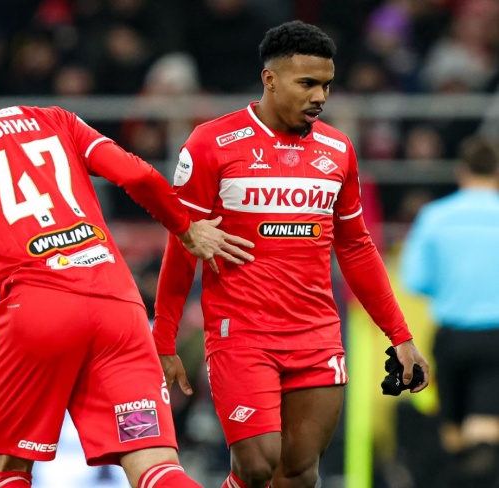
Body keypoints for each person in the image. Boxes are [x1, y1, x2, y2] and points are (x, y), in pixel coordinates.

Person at [0, 43, 255, 488]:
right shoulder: (55, 119)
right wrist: (185, 227)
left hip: (38, 314)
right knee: (155, 465)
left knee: (6, 470)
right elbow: (137, 174)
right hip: (118, 307)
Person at [152, 20, 430, 488]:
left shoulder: (338, 150)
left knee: (299, 474)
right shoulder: (211, 144)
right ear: (270, 79)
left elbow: (356, 247)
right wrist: (163, 341)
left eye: (326, 85)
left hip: (316, 336)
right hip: (242, 334)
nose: (320, 96)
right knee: (257, 464)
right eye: (307, 84)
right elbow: (180, 249)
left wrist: (399, 336)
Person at [400, 135, 499, 488]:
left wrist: (453, 287)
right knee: (486, 431)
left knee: (453, 434)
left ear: (461, 172)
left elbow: (414, 279)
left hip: (452, 336)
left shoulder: (435, 217)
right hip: (495, 337)